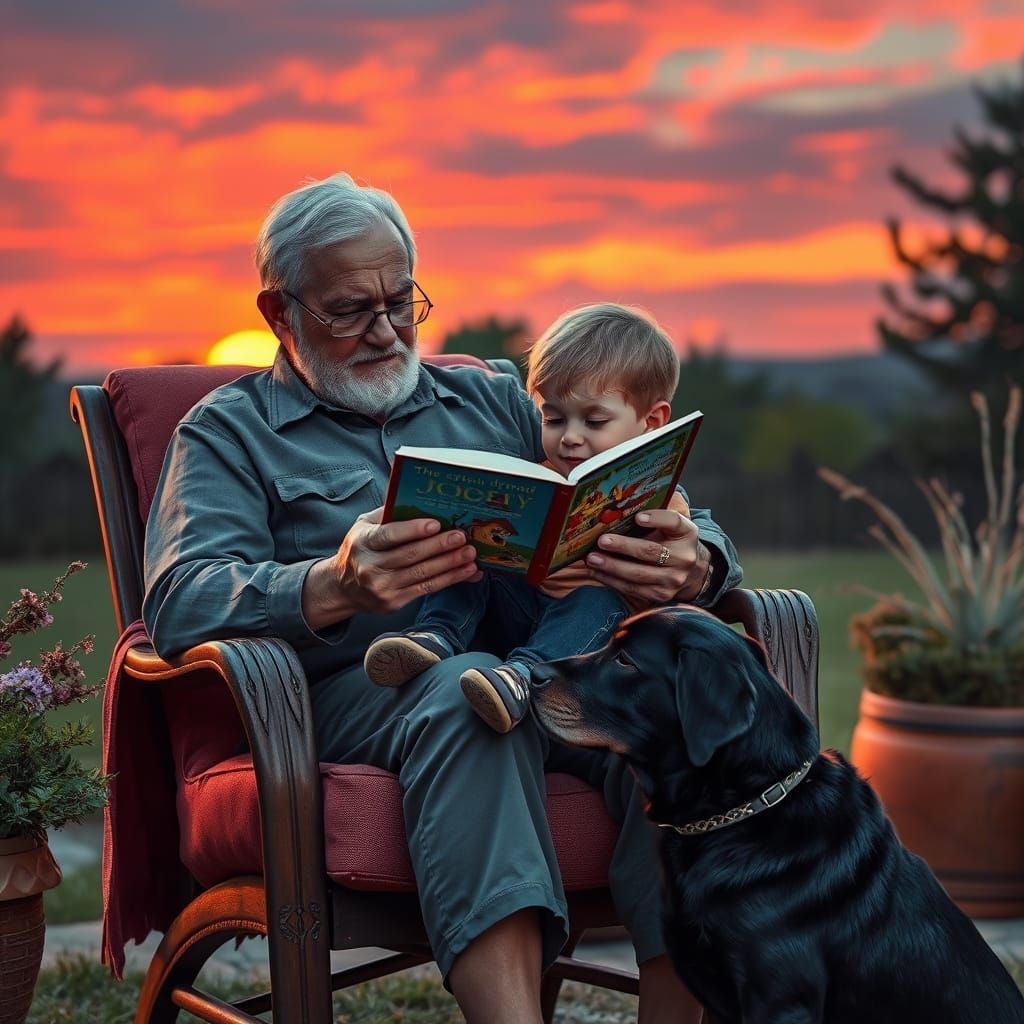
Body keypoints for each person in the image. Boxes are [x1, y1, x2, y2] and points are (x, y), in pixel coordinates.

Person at [142, 171, 742, 1024]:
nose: (387, 331)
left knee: (669, 711)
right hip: (342, 694)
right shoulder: (227, 432)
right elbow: (178, 600)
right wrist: (331, 585)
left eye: (401, 301)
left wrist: (698, 562)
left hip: (536, 667)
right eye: (352, 310)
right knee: (464, 697)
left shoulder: (496, 398)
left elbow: (658, 495)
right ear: (281, 315)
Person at [363, 302, 695, 734]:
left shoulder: (660, 501)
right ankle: (435, 636)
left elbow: (667, 581)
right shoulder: (541, 476)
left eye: (594, 421)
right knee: (467, 555)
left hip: (590, 642)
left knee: (597, 600)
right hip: (519, 611)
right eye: (553, 418)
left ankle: (523, 678)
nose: (570, 437)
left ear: (652, 421)